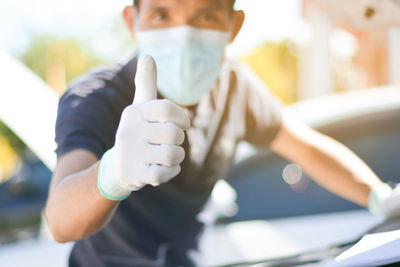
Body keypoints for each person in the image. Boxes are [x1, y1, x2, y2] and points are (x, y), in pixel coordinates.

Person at [44, 0, 400, 266]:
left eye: (206, 15)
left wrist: (379, 197)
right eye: (161, 14)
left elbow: (307, 149)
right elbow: (60, 220)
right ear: (131, 20)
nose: (183, 33)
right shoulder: (94, 98)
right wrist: (113, 172)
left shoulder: (236, 89)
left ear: (234, 25)